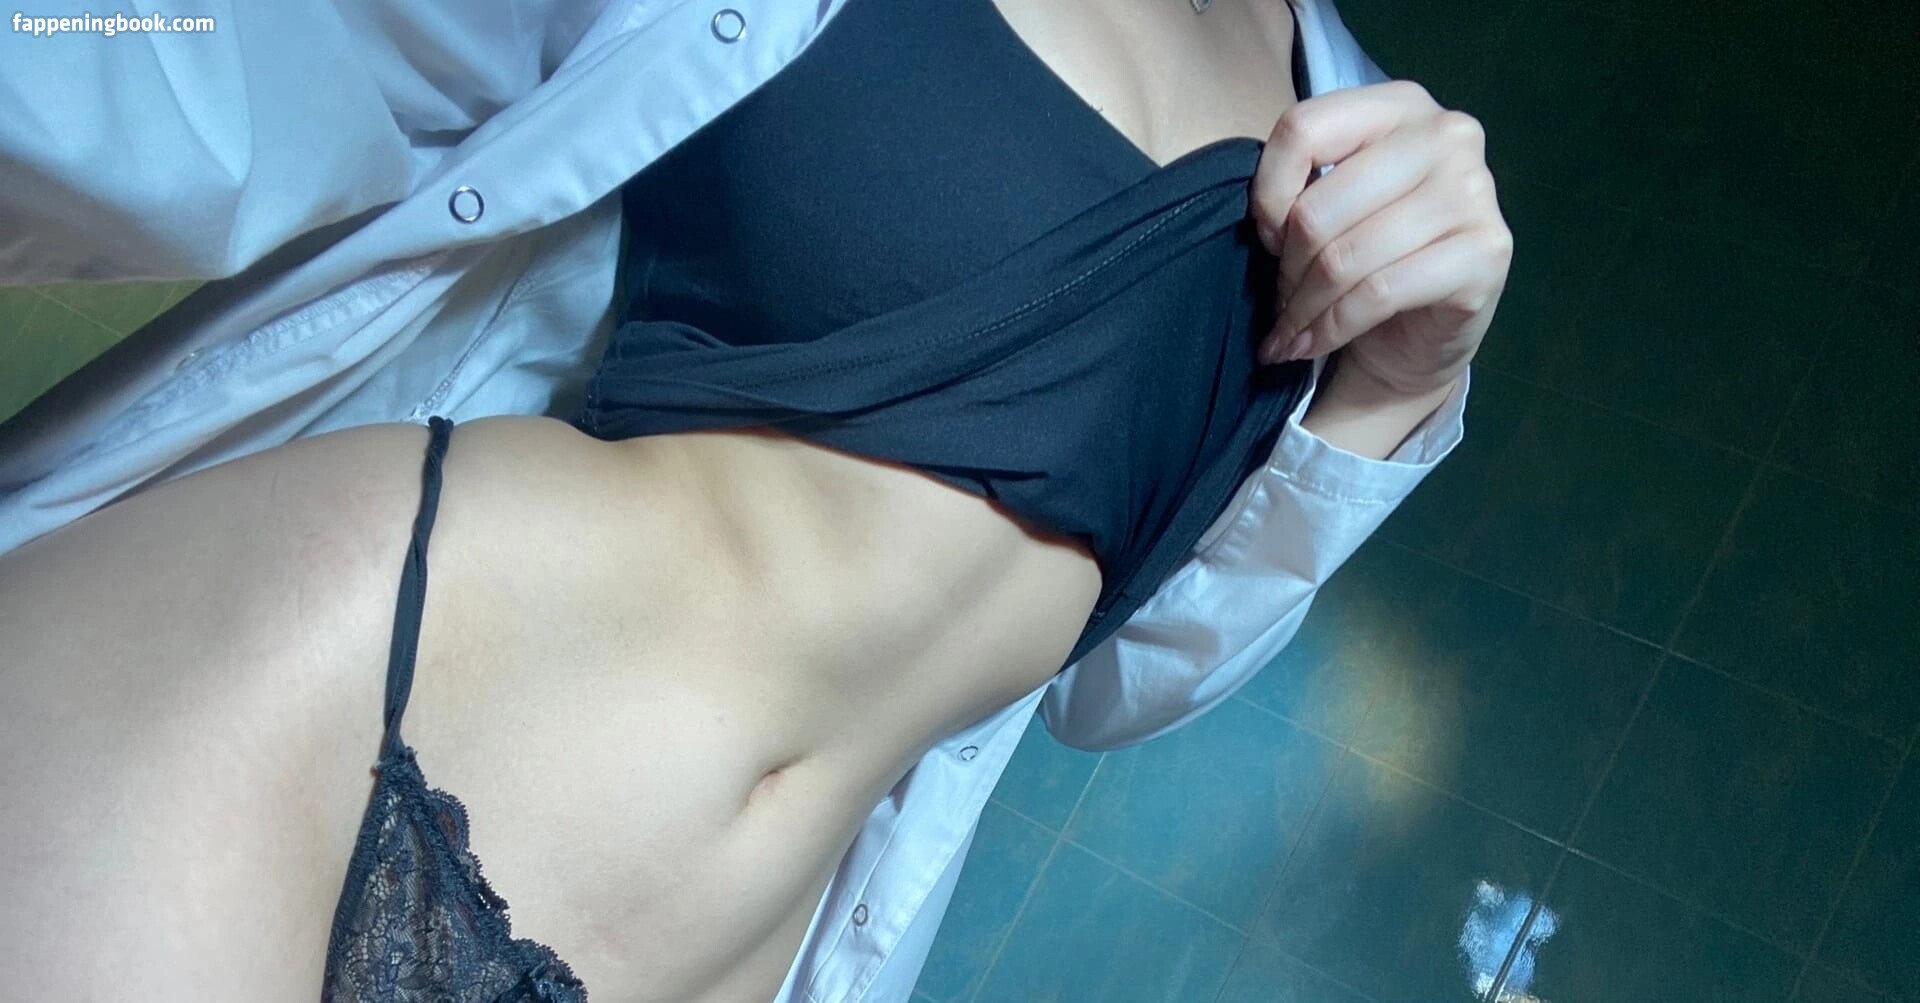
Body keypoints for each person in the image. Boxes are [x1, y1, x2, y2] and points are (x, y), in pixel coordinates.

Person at [0, 0, 1508, 999]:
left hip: (716, 949)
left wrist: (1395, 385)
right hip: (337, 712)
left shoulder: (1355, 117)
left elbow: (1117, 682)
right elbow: (209, 66)